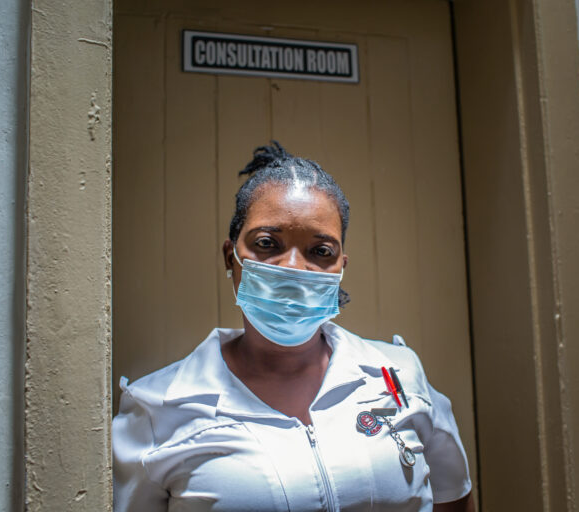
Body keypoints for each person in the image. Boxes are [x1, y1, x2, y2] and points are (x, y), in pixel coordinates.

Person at [113, 142, 474, 511]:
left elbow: (452, 498)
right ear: (231, 256)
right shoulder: (159, 409)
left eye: (321, 251)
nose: (293, 268)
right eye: (268, 243)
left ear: (341, 267)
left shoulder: (399, 375)